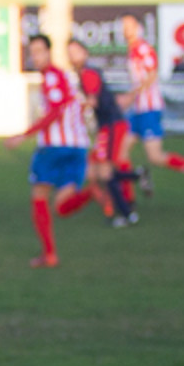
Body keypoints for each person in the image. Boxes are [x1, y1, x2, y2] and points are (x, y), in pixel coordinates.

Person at [4, 32, 96, 268]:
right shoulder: (61, 77)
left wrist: (24, 135)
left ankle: (49, 254)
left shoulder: (53, 76)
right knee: (62, 206)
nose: (35, 56)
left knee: (39, 196)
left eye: (38, 51)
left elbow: (55, 112)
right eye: (32, 52)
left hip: (55, 147)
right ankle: (93, 193)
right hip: (77, 147)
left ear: (48, 52)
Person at [119, 14, 184, 194]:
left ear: (137, 27)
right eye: (123, 25)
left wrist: (130, 95)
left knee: (155, 157)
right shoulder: (132, 49)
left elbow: (151, 75)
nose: (125, 29)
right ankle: (129, 198)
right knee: (120, 151)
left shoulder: (143, 48)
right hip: (137, 110)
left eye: (129, 25)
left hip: (149, 109)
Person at [66, 38, 138, 226]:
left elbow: (93, 101)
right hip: (109, 125)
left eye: (75, 51)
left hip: (112, 124)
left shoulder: (88, 73)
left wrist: (75, 112)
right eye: (69, 52)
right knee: (101, 171)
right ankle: (137, 178)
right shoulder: (85, 73)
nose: (72, 56)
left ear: (85, 53)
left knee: (105, 170)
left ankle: (126, 213)